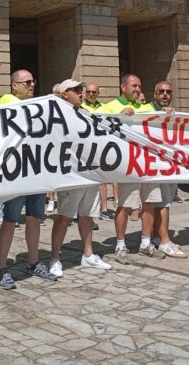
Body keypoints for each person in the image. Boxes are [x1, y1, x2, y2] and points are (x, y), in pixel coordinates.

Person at [0, 69, 56, 290]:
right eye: (27, 82)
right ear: (14, 85)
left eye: (33, 81)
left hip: (35, 169)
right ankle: (2, 267)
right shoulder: (7, 100)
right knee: (10, 219)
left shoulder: (34, 105)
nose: (32, 85)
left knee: (34, 218)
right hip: (15, 172)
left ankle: (33, 262)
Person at [49, 79, 112, 277]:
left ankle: (88, 253)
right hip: (71, 174)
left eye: (80, 89)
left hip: (89, 171)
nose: (80, 92)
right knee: (64, 217)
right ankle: (54, 258)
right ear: (64, 93)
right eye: (75, 90)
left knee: (88, 215)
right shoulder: (56, 111)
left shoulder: (85, 112)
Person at [100, 74, 160, 264]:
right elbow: (95, 121)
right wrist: (117, 117)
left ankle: (145, 243)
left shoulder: (146, 108)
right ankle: (120, 245)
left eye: (139, 86)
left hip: (149, 164)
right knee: (125, 205)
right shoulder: (109, 106)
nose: (137, 89)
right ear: (123, 87)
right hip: (127, 164)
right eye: (134, 86)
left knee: (150, 203)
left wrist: (168, 112)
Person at [149, 81, 187, 259]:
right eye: (161, 92)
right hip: (154, 165)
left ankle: (156, 237)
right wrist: (158, 115)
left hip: (169, 164)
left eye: (168, 92)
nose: (165, 95)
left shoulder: (174, 113)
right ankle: (165, 241)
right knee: (163, 203)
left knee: (164, 202)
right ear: (155, 94)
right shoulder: (147, 110)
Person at [81, 82, 115, 221]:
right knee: (83, 181)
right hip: (84, 148)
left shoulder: (105, 108)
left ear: (98, 93)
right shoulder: (79, 106)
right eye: (88, 92)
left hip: (100, 147)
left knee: (102, 180)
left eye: (94, 92)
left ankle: (104, 209)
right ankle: (81, 212)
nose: (91, 94)